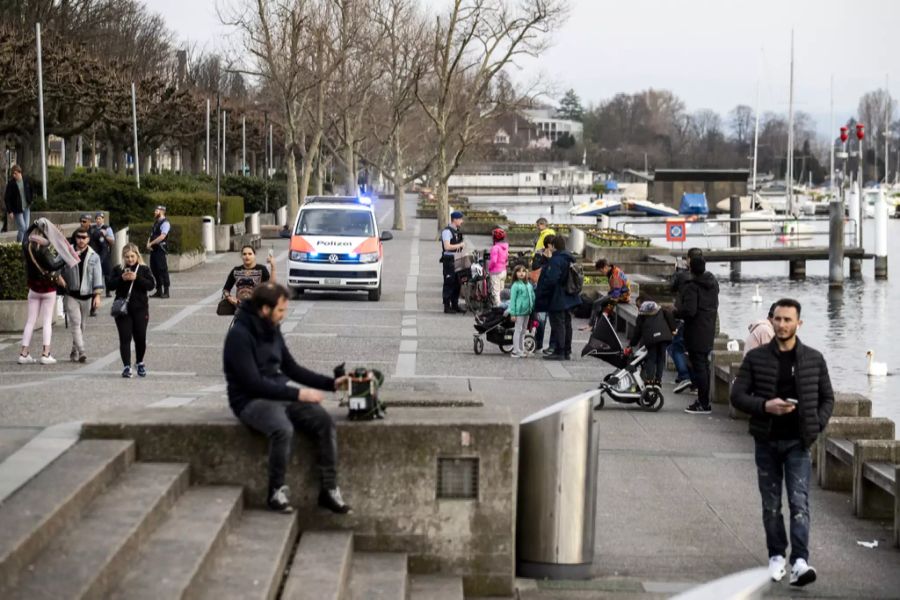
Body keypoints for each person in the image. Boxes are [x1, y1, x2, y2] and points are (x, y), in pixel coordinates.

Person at [223, 282, 353, 514]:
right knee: (282, 429)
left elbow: (291, 368)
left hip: (278, 392)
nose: (283, 315)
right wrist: (298, 393)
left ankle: (329, 490)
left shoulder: (271, 327)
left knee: (323, 420)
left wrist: (331, 384)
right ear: (264, 309)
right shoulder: (239, 336)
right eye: (281, 310)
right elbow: (253, 383)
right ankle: (275, 491)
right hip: (250, 400)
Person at [731, 298, 834, 587]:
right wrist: (766, 406)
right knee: (771, 504)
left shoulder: (813, 358)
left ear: (798, 323)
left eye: (788, 320)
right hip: (766, 440)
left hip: (798, 442)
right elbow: (737, 395)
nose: (782, 324)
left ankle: (800, 561)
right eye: (777, 319)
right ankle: (776, 556)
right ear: (771, 320)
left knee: (799, 502)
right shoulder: (757, 358)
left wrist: (815, 426)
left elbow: (828, 398)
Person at [18, 218, 80, 365]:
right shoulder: (44, 249)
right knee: (46, 322)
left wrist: (35, 223)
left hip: (33, 289)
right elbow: (53, 266)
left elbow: (25, 233)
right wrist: (67, 257)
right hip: (47, 289)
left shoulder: (26, 245)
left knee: (30, 321)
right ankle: (46, 354)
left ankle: (23, 353)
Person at [675, 256, 719, 414]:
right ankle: (704, 400)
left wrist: (674, 312)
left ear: (691, 268)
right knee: (704, 366)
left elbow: (689, 311)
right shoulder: (713, 283)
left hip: (695, 331)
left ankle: (703, 403)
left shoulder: (692, 286)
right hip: (708, 328)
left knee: (699, 366)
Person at [110, 243, 156, 378]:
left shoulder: (143, 269)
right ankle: (126, 366)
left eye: (132, 256)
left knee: (140, 338)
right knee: (125, 338)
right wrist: (121, 279)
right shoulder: (118, 269)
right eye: (127, 257)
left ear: (137, 255)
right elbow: (110, 285)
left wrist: (137, 278)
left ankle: (140, 362)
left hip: (140, 309)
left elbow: (151, 285)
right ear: (123, 257)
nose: (130, 259)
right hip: (123, 309)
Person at [60, 228, 104, 362]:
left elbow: (97, 276)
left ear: (88, 239)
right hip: (71, 294)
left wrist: (97, 296)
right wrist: (59, 279)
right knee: (75, 323)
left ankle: (74, 350)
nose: (81, 239)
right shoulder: (67, 252)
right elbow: (55, 267)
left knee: (82, 326)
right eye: (78, 237)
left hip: (87, 296)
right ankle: (82, 351)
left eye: (84, 237)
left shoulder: (94, 256)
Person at [535, 236, 581, 361]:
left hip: (558, 296)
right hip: (568, 296)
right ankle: (567, 350)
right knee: (567, 323)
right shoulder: (569, 258)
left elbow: (551, 280)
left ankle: (559, 351)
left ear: (553, 246)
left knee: (558, 324)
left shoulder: (556, 260)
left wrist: (542, 293)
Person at [670, 248, 704, 393]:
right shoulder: (708, 278)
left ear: (689, 260)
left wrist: (677, 272)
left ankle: (685, 377)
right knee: (694, 352)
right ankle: (694, 382)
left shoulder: (685, 277)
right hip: (705, 321)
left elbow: (672, 288)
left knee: (676, 347)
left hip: (687, 319)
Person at [628, 295, 677, 387]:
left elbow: (637, 332)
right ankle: (658, 381)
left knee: (651, 359)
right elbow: (670, 316)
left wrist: (632, 344)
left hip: (651, 339)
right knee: (661, 359)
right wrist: (673, 329)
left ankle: (650, 381)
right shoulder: (661, 309)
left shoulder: (641, 315)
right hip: (664, 338)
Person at [581, 258, 631, 331]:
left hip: (622, 297)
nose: (601, 273)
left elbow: (615, 296)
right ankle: (594, 325)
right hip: (618, 294)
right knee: (600, 304)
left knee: (596, 303)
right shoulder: (612, 271)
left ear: (605, 267)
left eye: (601, 270)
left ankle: (591, 325)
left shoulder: (615, 275)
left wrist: (607, 311)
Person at [505, 264, 535, 358]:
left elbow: (532, 296)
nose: (521, 273)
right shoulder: (515, 285)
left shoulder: (528, 284)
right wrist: (513, 313)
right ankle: (515, 350)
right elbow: (512, 300)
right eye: (519, 271)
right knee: (518, 330)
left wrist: (532, 306)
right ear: (515, 273)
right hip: (519, 311)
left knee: (524, 331)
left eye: (523, 271)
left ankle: (521, 349)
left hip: (527, 311)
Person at [440, 211, 466, 314]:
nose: (462, 221)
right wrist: (460, 245)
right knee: (449, 283)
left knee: (457, 283)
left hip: (458, 258)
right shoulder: (447, 232)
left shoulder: (456, 231)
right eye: (460, 219)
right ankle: (447, 306)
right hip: (449, 260)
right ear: (454, 219)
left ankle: (455, 305)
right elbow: (447, 247)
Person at [4, 165, 34, 243]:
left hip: (26, 208)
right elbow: (7, 198)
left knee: (26, 227)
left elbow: (31, 190)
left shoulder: (26, 180)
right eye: (13, 174)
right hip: (17, 209)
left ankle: (23, 244)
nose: (14, 175)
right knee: (22, 227)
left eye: (15, 173)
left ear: (19, 172)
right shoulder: (11, 184)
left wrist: (30, 200)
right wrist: (10, 211)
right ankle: (19, 243)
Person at [147, 205, 171, 299]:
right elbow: (151, 234)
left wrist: (151, 243)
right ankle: (159, 290)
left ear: (161, 211)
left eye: (156, 210)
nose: (154, 212)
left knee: (162, 269)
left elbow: (162, 236)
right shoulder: (156, 223)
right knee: (154, 269)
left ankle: (166, 291)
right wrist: (148, 244)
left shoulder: (165, 223)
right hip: (153, 249)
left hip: (160, 249)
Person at [92, 212, 116, 298]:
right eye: (97, 218)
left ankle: (108, 291)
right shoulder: (93, 228)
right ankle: (96, 290)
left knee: (107, 273)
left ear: (103, 219)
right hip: (95, 252)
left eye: (100, 218)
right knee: (96, 272)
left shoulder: (107, 228)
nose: (98, 220)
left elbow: (112, 241)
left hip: (105, 252)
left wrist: (105, 235)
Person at [488, 228, 509, 307]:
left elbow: (493, 261)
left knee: (495, 292)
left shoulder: (495, 248)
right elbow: (506, 258)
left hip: (495, 272)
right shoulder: (506, 246)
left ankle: (498, 308)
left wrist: (489, 268)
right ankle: (503, 306)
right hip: (503, 271)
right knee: (501, 291)